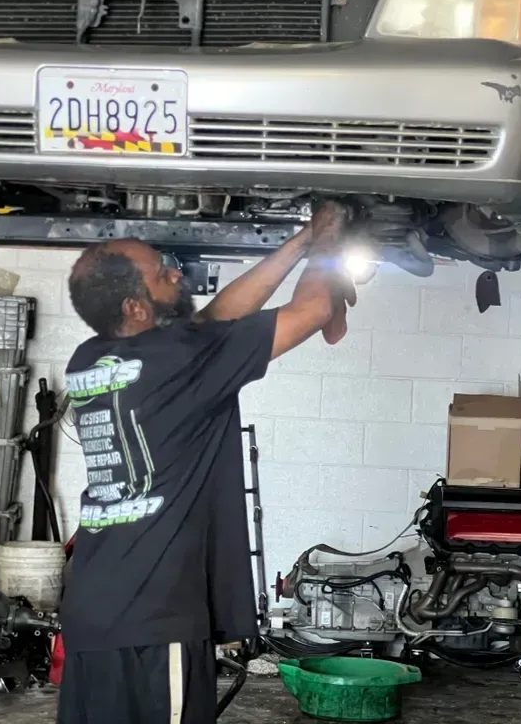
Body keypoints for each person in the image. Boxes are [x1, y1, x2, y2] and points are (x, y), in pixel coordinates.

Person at [56, 202, 355, 724]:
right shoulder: (179, 358)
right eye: (162, 272)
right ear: (135, 307)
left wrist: (301, 241)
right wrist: (328, 243)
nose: (176, 273)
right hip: (154, 618)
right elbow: (311, 311)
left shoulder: (90, 359)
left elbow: (217, 317)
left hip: (93, 611)